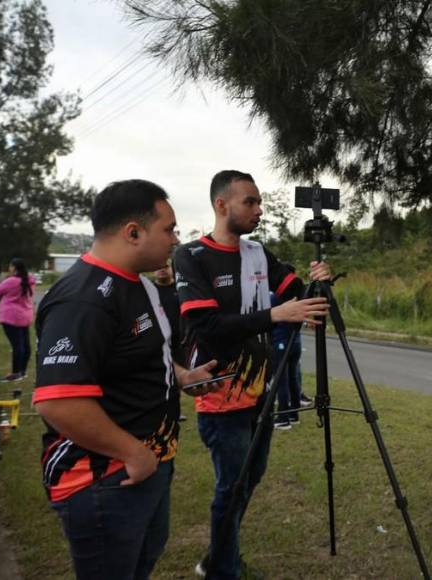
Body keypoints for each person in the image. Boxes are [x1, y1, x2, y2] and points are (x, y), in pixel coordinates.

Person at [32, 180, 219, 580]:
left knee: (141, 564)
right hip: (105, 478)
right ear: (133, 232)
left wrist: (184, 377)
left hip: (147, 467)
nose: (175, 239)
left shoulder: (141, 285)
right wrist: (133, 453)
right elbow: (58, 400)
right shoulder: (82, 298)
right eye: (168, 229)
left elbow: (145, 359)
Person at [173, 170, 330, 580]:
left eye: (259, 202)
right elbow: (205, 326)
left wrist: (317, 284)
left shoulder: (259, 253)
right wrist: (276, 313)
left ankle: (217, 556)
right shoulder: (191, 257)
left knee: (250, 479)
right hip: (220, 394)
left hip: (262, 391)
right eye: (250, 202)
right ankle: (223, 569)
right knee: (232, 485)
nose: (259, 210)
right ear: (221, 205)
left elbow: (298, 291)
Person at [0, 258, 36, 382]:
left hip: (11, 316)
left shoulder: (11, 281)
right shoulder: (29, 280)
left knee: (17, 346)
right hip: (25, 315)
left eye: (10, 266)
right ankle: (22, 371)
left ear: (14, 268)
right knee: (25, 345)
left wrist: (2, 281)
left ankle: (15, 373)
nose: (9, 268)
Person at [269, 287, 304, 430]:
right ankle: (294, 413)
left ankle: (283, 417)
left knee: (280, 380)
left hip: (280, 342)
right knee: (293, 377)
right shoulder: (297, 296)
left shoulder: (275, 297)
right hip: (295, 341)